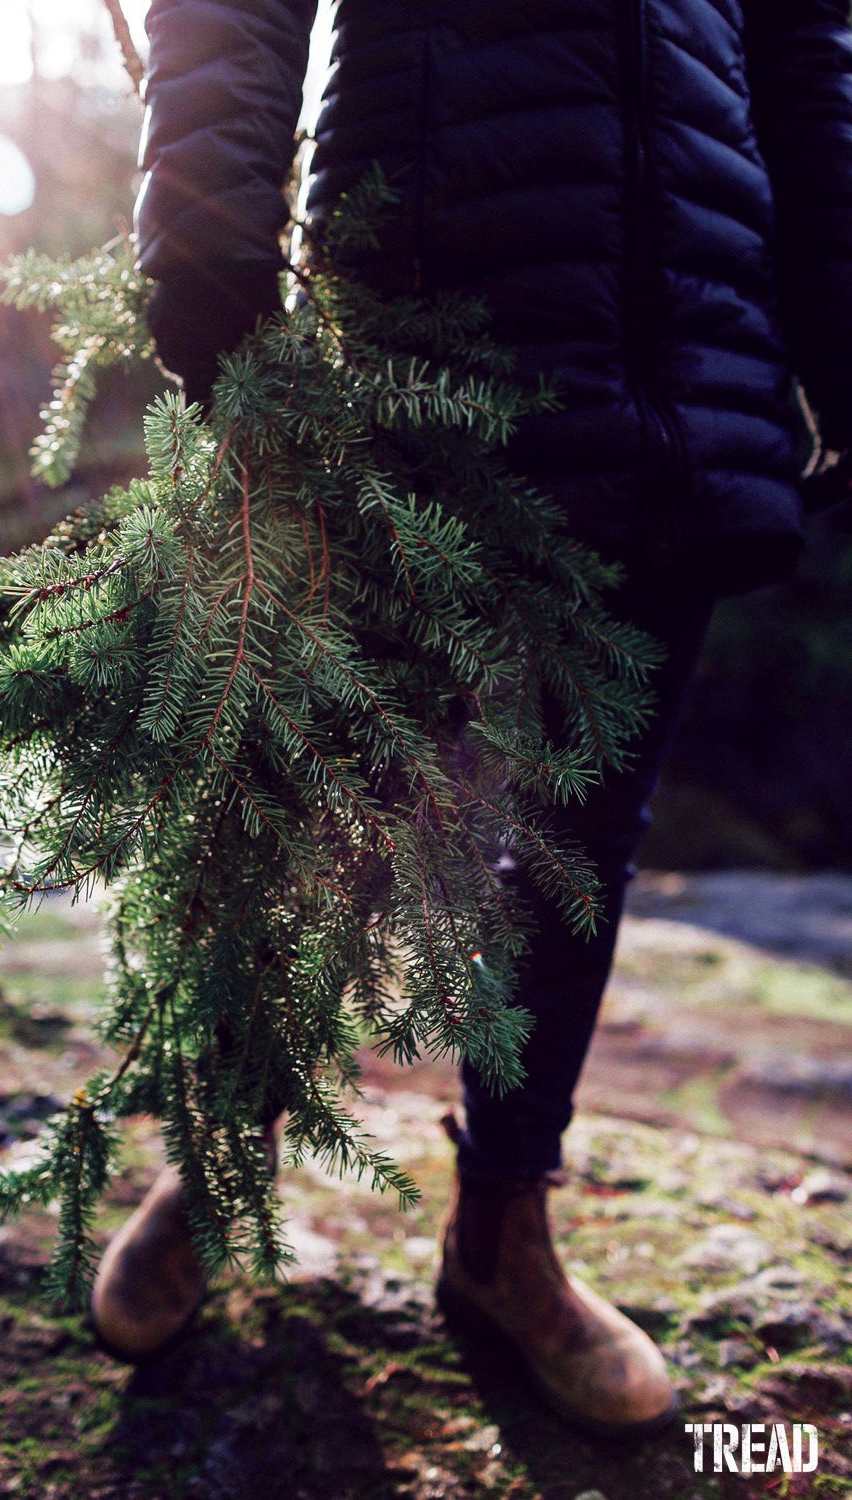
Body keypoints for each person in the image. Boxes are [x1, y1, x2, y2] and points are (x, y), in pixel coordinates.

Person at [90, 0, 852, 1435]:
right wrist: (208, 275)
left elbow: (807, 53)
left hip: (683, 362)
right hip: (421, 331)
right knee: (336, 801)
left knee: (584, 842)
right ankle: (229, 1138)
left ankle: (503, 1231)